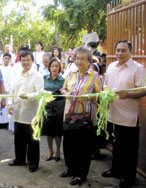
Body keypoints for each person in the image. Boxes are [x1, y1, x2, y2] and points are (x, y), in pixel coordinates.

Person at [102, 40, 146, 188]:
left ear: (130, 52)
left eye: (123, 50)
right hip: (113, 114)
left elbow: (143, 90)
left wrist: (127, 95)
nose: (120, 53)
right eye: (118, 50)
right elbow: (106, 86)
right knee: (116, 146)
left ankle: (129, 178)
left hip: (130, 117)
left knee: (129, 150)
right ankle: (115, 170)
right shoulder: (111, 66)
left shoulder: (138, 68)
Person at [60, 46, 103, 185]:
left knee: (83, 149)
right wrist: (67, 94)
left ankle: (81, 174)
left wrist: (87, 97)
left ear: (90, 61)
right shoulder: (71, 74)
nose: (79, 61)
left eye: (83, 59)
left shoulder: (95, 76)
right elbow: (63, 88)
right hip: (69, 115)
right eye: (77, 58)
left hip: (85, 118)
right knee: (68, 146)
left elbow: (100, 95)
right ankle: (71, 169)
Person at [8, 50, 44, 173]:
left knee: (33, 139)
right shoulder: (17, 75)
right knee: (19, 138)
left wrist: (28, 96)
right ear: (20, 61)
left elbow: (41, 94)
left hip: (32, 113)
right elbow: (12, 91)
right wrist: (9, 104)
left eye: (28, 60)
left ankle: (33, 163)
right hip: (18, 112)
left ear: (32, 61)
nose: (25, 62)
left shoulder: (37, 76)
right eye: (23, 60)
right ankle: (20, 159)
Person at [42, 58, 65, 162]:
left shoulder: (63, 80)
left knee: (57, 131)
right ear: (49, 67)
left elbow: (65, 92)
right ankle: (50, 150)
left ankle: (58, 151)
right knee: (48, 130)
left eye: (56, 66)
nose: (54, 68)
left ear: (59, 67)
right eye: (52, 66)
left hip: (59, 106)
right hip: (47, 106)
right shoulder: (44, 78)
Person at [0, 53, 13, 129]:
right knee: (0, 107)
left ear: (10, 60)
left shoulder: (12, 69)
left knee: (7, 107)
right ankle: (0, 123)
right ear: (3, 59)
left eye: (8, 59)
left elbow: (11, 80)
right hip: (1, 91)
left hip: (8, 91)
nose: (6, 60)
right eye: (5, 58)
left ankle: (7, 124)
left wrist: (8, 89)